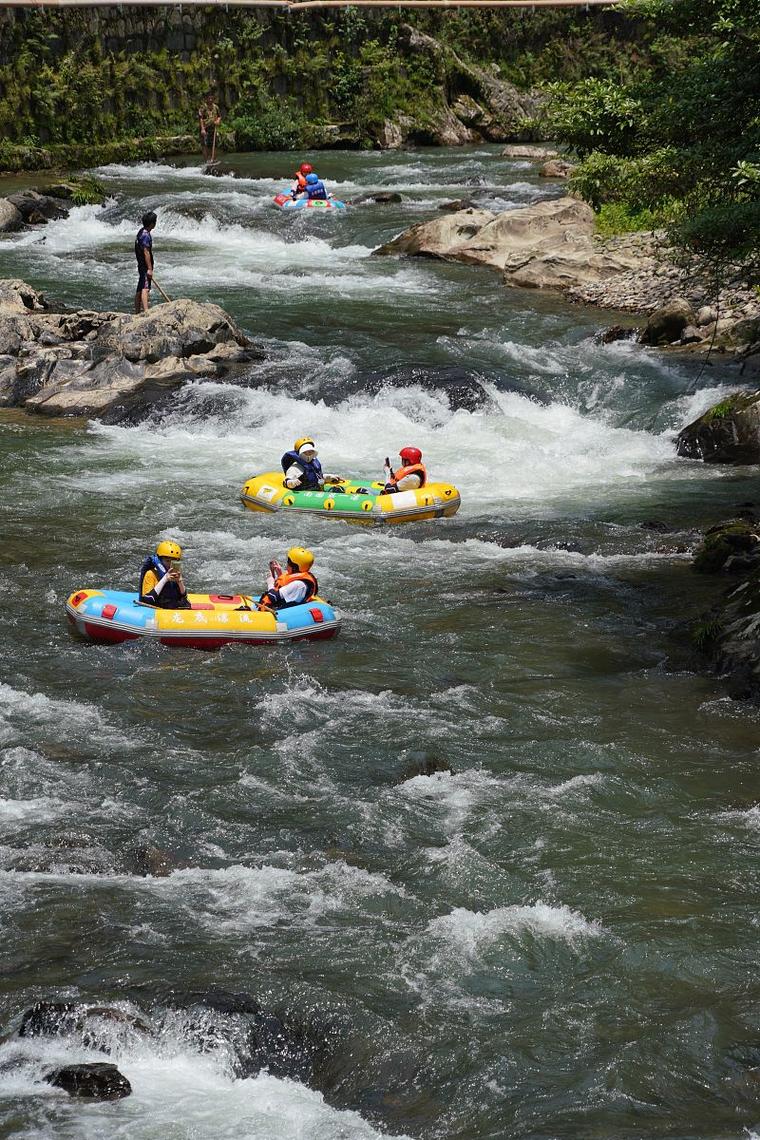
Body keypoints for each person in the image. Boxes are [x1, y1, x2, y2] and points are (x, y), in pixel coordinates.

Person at [139, 540, 190, 609]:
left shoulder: (175, 574)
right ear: (160, 560)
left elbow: (183, 599)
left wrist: (180, 582)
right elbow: (148, 600)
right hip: (156, 608)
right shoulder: (150, 574)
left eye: (173, 561)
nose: (170, 564)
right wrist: (165, 579)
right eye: (167, 561)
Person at [134, 211, 157, 314]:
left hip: (141, 265)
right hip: (144, 266)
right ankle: (146, 312)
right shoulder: (146, 235)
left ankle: (137, 312)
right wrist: (150, 269)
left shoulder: (141, 232)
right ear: (152, 223)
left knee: (140, 288)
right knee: (145, 288)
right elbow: (146, 252)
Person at [198, 91, 221, 163]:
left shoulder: (216, 107)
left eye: (212, 98)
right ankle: (206, 161)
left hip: (213, 129)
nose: (210, 100)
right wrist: (202, 129)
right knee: (205, 145)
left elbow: (219, 116)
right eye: (209, 98)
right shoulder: (203, 107)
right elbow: (201, 118)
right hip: (205, 129)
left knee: (214, 144)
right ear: (206, 99)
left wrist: (218, 121)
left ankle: (213, 160)